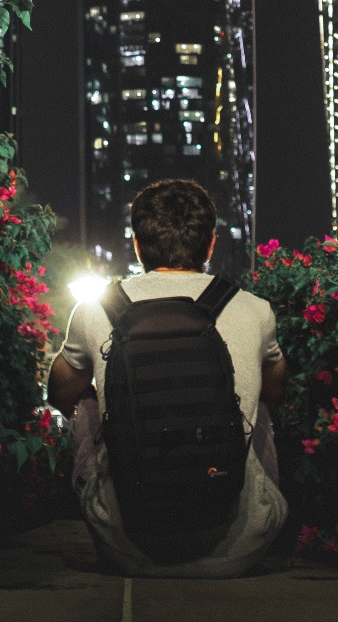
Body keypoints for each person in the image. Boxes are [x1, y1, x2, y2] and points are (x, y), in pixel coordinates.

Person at [47, 178, 288, 577]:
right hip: (242, 549)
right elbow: (276, 395)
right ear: (210, 245)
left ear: (137, 244)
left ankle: (115, 509)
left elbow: (60, 394)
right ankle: (243, 510)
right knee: (258, 400)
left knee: (86, 400)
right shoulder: (255, 309)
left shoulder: (96, 310)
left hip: (126, 547)